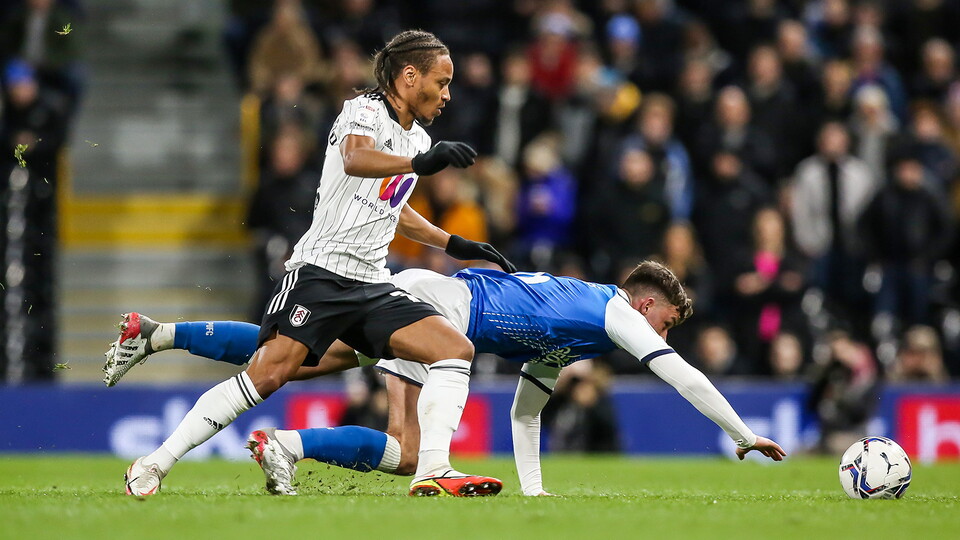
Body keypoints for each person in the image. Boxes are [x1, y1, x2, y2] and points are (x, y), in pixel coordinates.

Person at [114, 29, 516, 499]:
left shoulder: (418, 137)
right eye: (441, 82)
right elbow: (355, 159)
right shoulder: (363, 110)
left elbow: (393, 205)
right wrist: (420, 162)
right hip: (321, 274)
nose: (447, 94)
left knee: (454, 350)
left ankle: (435, 469)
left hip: (372, 284)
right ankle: (154, 462)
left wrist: (454, 242)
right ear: (410, 77)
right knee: (265, 375)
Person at [105, 262, 786, 497]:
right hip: (436, 308)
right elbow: (682, 376)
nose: (663, 334)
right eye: (665, 320)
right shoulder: (613, 312)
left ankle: (156, 333)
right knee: (403, 451)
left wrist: (538, 493)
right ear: (646, 306)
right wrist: (744, 433)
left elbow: (525, 416)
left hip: (427, 296)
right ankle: (295, 447)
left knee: (288, 355)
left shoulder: (572, 332)